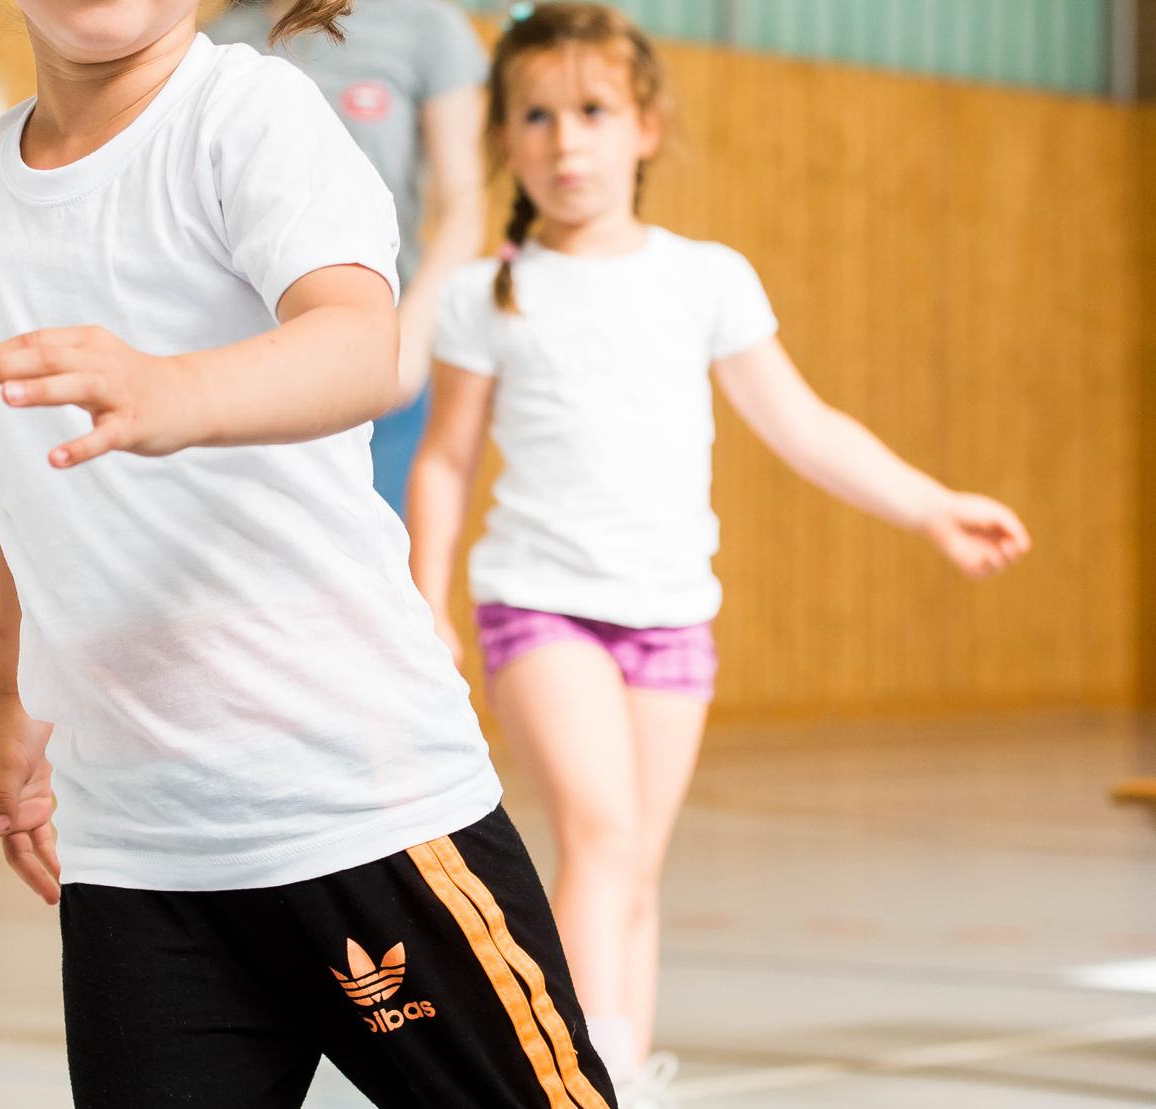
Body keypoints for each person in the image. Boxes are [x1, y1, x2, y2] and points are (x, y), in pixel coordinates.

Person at [0, 0, 617, 1104]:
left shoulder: (249, 114)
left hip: (353, 804)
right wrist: (12, 710)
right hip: (137, 849)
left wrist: (179, 388)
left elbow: (361, 344)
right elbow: (19, 462)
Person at [406, 4, 1031, 1104]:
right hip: (539, 606)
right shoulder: (483, 295)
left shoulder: (704, 278)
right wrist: (425, 596)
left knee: (634, 861)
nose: (565, 140)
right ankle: (585, 1076)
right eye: (536, 116)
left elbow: (804, 425)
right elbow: (445, 461)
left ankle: (624, 1063)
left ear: (644, 127)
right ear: (505, 137)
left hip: (670, 614)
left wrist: (929, 504)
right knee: (597, 832)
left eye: (592, 112)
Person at [206, 0, 487, 516]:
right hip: (242, 360)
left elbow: (463, 207)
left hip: (378, 352)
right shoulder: (218, 38)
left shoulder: (426, 27)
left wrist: (412, 333)